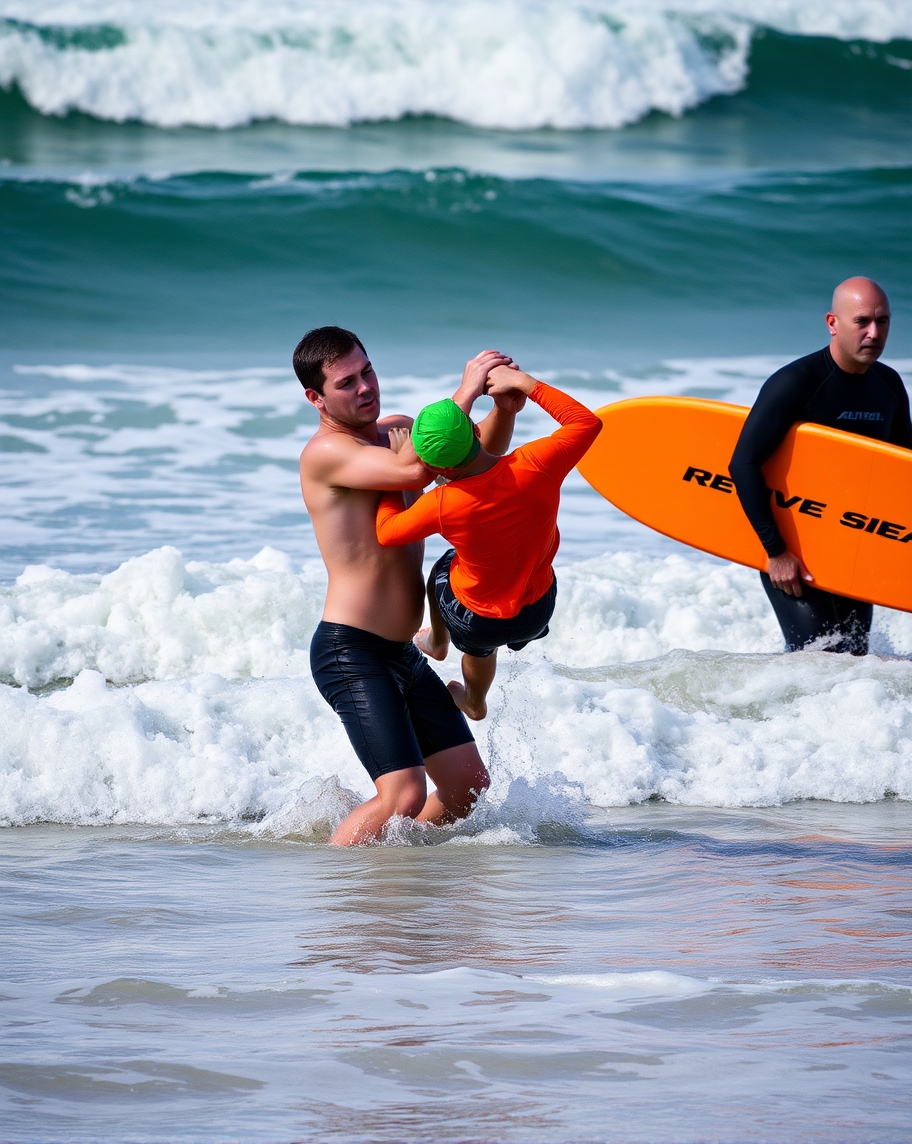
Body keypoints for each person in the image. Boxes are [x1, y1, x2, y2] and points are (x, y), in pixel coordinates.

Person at [295, 326, 522, 845]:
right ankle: (336, 879)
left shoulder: (398, 429)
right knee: (402, 795)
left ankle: (401, 878)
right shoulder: (325, 453)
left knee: (466, 788)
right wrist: (466, 390)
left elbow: (472, 459)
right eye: (346, 383)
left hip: (401, 653)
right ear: (316, 398)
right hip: (350, 650)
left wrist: (503, 410)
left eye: (367, 371)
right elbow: (415, 470)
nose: (365, 387)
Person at [375, 365, 601, 720]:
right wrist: (525, 384)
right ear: (477, 430)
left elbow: (386, 532)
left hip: (478, 621)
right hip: (537, 608)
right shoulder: (537, 464)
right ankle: (463, 667)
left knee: (445, 571)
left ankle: (462, 682)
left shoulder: (442, 504)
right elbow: (586, 422)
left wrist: (396, 473)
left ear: (440, 472)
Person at [729, 277, 912, 654]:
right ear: (833, 323)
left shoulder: (889, 386)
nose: (874, 333)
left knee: (855, 662)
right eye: (862, 321)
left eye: (882, 321)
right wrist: (776, 552)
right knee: (819, 659)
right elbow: (743, 463)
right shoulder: (796, 382)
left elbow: (901, 473)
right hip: (792, 549)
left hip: (854, 546)